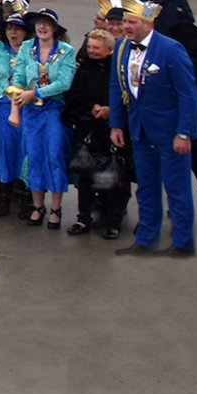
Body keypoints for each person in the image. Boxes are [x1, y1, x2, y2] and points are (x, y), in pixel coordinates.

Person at [107, 0, 197, 257]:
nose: (125, 26)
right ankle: (146, 240)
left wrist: (184, 132)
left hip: (170, 133)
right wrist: (116, 124)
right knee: (146, 188)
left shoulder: (171, 49)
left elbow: (188, 94)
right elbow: (116, 87)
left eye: (131, 22)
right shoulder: (123, 48)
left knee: (176, 189)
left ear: (148, 24)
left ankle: (182, 243)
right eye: (124, 21)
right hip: (139, 130)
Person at [7, 8, 76, 229]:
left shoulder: (66, 51)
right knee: (33, 155)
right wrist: (15, 109)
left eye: (47, 23)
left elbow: (64, 83)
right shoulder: (27, 48)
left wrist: (36, 93)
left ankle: (56, 208)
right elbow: (17, 79)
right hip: (30, 111)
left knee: (54, 154)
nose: (42, 27)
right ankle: (38, 206)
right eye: (39, 23)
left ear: (55, 28)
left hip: (54, 108)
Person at [62, 28, 122, 239]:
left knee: (109, 177)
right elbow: (74, 96)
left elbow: (124, 97)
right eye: (89, 47)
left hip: (110, 130)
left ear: (109, 50)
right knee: (85, 176)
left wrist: (109, 111)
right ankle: (83, 218)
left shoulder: (117, 70)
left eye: (96, 48)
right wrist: (91, 108)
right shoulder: (83, 68)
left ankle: (111, 220)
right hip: (87, 128)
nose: (92, 51)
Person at [160, 20, 197, 214]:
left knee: (181, 164)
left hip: (188, 120)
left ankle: (181, 204)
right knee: (196, 160)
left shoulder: (181, 62)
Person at [0, 11, 32, 219]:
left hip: (28, 107)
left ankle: (29, 197)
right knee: (6, 150)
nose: (13, 32)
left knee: (27, 151)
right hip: (3, 106)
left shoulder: (32, 50)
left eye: (18, 28)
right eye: (9, 28)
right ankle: (4, 196)